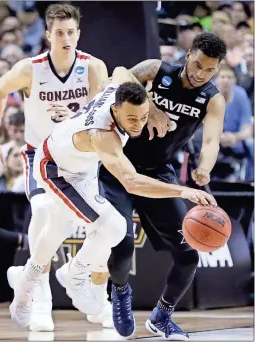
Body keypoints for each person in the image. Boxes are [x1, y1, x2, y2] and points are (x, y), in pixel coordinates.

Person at [8, 69, 216, 336]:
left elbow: (119, 72)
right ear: (115, 110)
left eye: (142, 117)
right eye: (131, 118)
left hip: (81, 166)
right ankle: (74, 274)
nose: (138, 124)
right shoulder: (103, 134)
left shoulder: (120, 93)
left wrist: (150, 108)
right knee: (114, 227)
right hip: (56, 170)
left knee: (58, 229)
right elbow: (132, 182)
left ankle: (26, 283)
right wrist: (182, 192)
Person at [0, 3, 108, 332]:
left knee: (105, 228)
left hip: (81, 160)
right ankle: (41, 300)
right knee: (42, 215)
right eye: (59, 33)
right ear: (48, 36)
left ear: (78, 34)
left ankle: (92, 292)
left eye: (71, 32)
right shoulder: (31, 68)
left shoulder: (93, 68)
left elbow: (108, 109)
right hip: (40, 157)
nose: (66, 38)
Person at [98, 32, 227, 340]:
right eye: (197, 65)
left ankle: (162, 316)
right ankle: (119, 292)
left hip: (159, 174)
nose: (200, 74)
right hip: (120, 167)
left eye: (209, 70)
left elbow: (211, 141)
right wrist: (150, 104)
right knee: (123, 243)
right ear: (188, 55)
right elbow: (120, 75)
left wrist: (204, 168)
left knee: (188, 255)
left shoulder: (213, 99)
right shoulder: (158, 70)